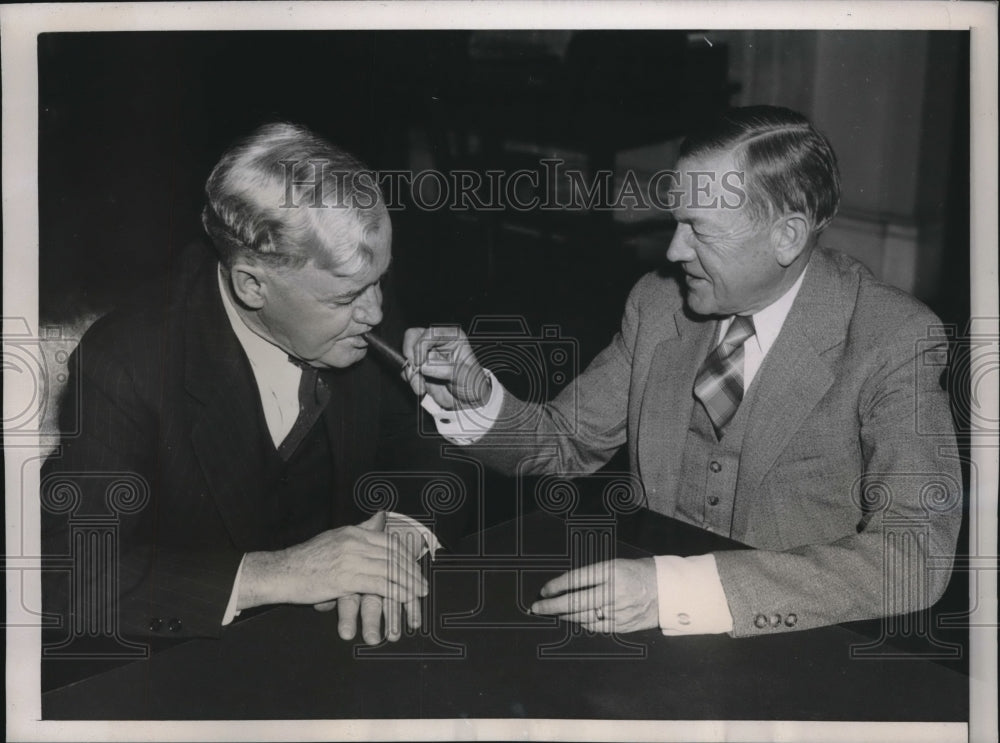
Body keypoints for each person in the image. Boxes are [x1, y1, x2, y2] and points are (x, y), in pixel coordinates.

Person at [403, 105, 962, 637]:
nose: (673, 250)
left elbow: (913, 555)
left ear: (787, 237)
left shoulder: (893, 338)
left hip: (802, 639)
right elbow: (566, 442)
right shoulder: (658, 305)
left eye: (700, 230)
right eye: (676, 222)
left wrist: (674, 590)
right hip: (645, 622)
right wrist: (475, 399)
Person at [42, 122, 438, 647]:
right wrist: (275, 573)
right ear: (252, 284)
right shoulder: (127, 363)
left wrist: (397, 542)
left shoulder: (353, 300)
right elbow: (68, 574)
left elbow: (424, 445)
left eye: (380, 282)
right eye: (346, 299)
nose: (377, 312)